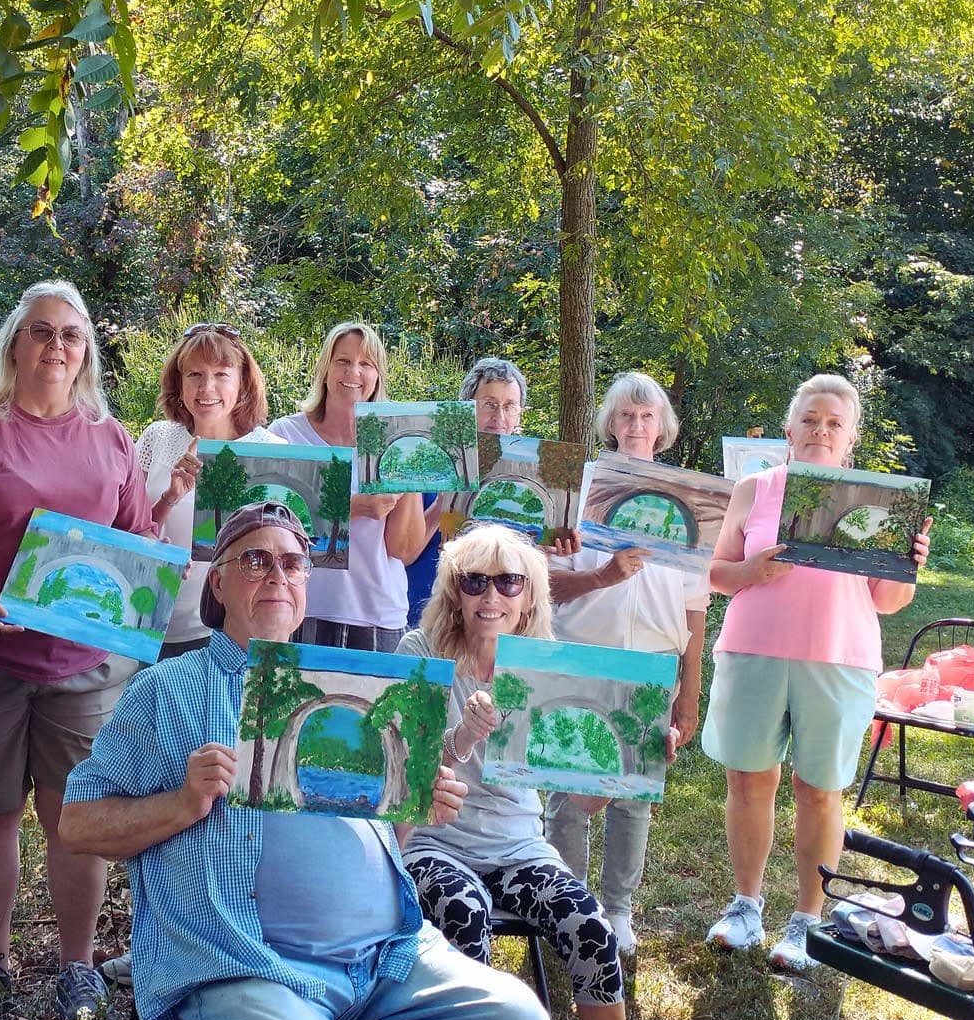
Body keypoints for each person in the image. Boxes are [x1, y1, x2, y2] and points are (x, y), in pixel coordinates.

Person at [62, 502, 551, 1020]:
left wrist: (412, 809)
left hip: (388, 955)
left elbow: (384, 845)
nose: (277, 576)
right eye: (254, 560)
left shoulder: (358, 689)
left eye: (292, 563)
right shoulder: (166, 691)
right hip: (247, 962)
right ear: (219, 584)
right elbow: (78, 825)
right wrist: (178, 803)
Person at [400, 523, 670, 1020]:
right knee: (462, 915)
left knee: (587, 923)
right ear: (453, 592)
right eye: (474, 581)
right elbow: (396, 786)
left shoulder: (547, 662)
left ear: (528, 595)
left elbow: (581, 803)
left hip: (518, 844)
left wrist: (626, 763)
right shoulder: (419, 654)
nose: (491, 596)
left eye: (508, 582)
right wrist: (459, 738)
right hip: (435, 841)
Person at [0, 280, 154, 1020]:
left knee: (74, 819)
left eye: (71, 336)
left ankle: (77, 967)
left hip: (81, 670)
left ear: (85, 352)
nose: (56, 347)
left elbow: (137, 543)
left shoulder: (111, 438)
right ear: (14, 344)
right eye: (42, 332)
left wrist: (129, 595)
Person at [701, 373, 932, 972]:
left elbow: (885, 602)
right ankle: (745, 907)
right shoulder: (754, 489)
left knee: (821, 792)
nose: (820, 431)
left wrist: (907, 567)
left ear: (851, 437)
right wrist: (751, 570)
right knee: (749, 782)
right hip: (753, 651)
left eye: (834, 422)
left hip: (840, 659)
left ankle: (808, 921)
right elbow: (717, 575)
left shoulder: (881, 504)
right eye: (810, 419)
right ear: (789, 429)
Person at [542, 372, 706, 960]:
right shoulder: (578, 489)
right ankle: (566, 902)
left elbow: (694, 606)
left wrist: (689, 694)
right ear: (609, 425)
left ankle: (617, 910)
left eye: (647, 416)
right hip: (579, 653)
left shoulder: (688, 501)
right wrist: (601, 572)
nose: (637, 426)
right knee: (566, 786)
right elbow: (543, 587)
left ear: (663, 428)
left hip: (651, 666)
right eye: (626, 416)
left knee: (633, 793)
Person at [267, 322, 427, 652]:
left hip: (378, 617)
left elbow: (404, 550)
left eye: (366, 364)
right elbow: (267, 521)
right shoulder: (286, 434)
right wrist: (356, 506)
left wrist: (407, 469)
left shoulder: (395, 439)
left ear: (377, 376)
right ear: (324, 369)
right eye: (342, 361)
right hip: (298, 609)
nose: (353, 372)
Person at [135, 323, 276, 658]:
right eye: (195, 374)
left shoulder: (271, 450)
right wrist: (169, 498)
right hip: (145, 623)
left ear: (242, 382)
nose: (207, 387)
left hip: (225, 635)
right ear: (179, 383)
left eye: (221, 374)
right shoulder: (157, 438)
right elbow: (130, 527)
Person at [405, 355, 529, 623]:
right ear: (465, 408)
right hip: (428, 622)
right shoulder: (426, 462)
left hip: (497, 625)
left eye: (510, 406)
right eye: (489, 405)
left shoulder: (528, 479)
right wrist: (444, 504)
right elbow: (405, 554)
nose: (500, 417)